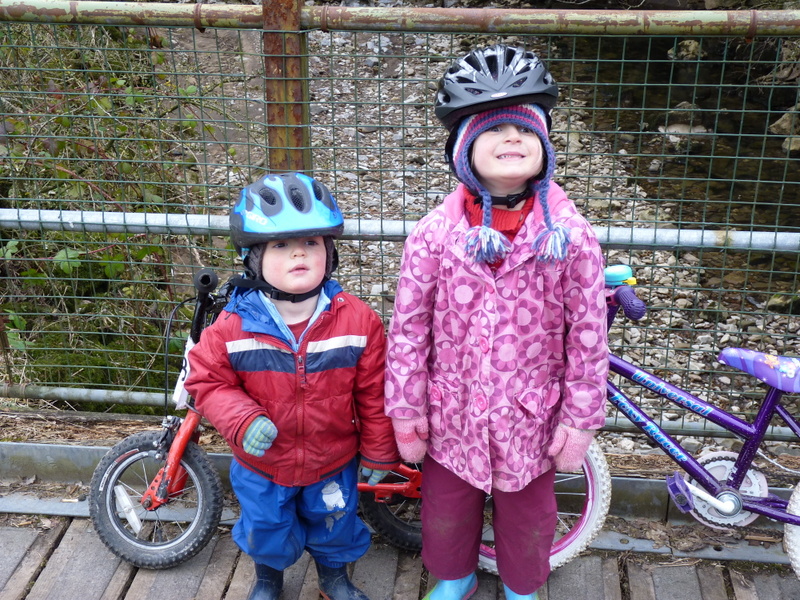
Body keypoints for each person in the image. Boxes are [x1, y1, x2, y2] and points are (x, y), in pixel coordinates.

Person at [384, 45, 609, 600]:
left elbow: (587, 335)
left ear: (545, 148)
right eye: (495, 130)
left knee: (530, 518)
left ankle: (522, 586)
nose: (513, 139)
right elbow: (409, 328)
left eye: (526, 131)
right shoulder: (434, 236)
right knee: (446, 509)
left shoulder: (572, 238)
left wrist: (579, 419)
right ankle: (455, 575)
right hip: (452, 414)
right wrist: (407, 409)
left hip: (531, 418)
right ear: (463, 150)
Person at [185, 172, 400, 600]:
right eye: (281, 245)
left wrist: (380, 448)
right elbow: (207, 381)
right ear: (254, 259)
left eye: (312, 243)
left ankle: (335, 578)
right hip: (263, 463)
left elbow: (375, 394)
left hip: (333, 458)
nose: (299, 252)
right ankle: (268, 580)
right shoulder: (233, 326)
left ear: (330, 254)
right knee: (266, 526)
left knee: (335, 522)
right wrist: (242, 418)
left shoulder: (358, 321)